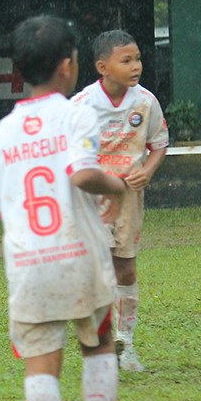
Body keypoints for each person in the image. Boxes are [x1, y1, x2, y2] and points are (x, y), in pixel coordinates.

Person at [0, 16, 127, 401]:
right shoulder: (77, 113)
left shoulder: (5, 130)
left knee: (41, 367)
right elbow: (84, 173)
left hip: (28, 262)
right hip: (78, 254)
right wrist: (118, 185)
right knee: (99, 343)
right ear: (69, 66)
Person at [71, 30, 170, 373]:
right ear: (103, 67)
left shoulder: (145, 102)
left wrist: (149, 170)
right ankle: (99, 345)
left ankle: (126, 344)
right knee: (94, 270)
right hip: (91, 197)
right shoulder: (83, 105)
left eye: (138, 59)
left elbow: (159, 143)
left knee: (125, 268)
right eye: (125, 60)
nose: (135, 66)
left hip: (129, 198)